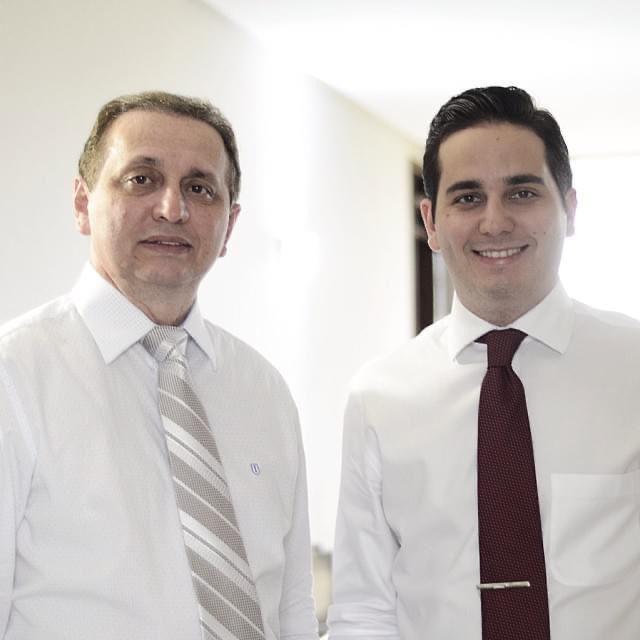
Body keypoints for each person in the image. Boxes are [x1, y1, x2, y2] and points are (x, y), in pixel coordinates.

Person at [0, 91, 318, 640]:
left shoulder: (263, 390)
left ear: (229, 226)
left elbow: (292, 608)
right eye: (141, 179)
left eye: (200, 188)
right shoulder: (14, 377)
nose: (173, 208)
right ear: (82, 204)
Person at [327, 86, 640, 640]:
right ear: (431, 221)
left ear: (569, 209)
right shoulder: (379, 397)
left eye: (522, 192)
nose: (495, 222)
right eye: (468, 198)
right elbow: (364, 611)